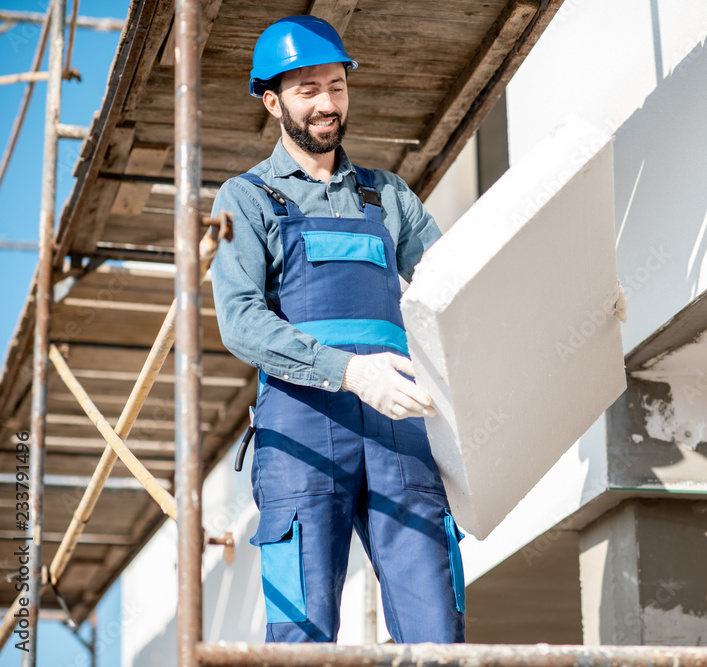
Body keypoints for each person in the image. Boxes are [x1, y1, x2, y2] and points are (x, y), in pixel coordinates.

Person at [210, 15, 463, 644]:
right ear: (272, 101)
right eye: (307, 91)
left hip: (397, 426)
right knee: (302, 635)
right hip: (301, 429)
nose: (327, 104)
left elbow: (456, 287)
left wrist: (563, 297)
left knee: (436, 627)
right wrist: (348, 372)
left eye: (337, 86)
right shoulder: (246, 200)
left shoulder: (388, 197)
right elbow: (240, 323)